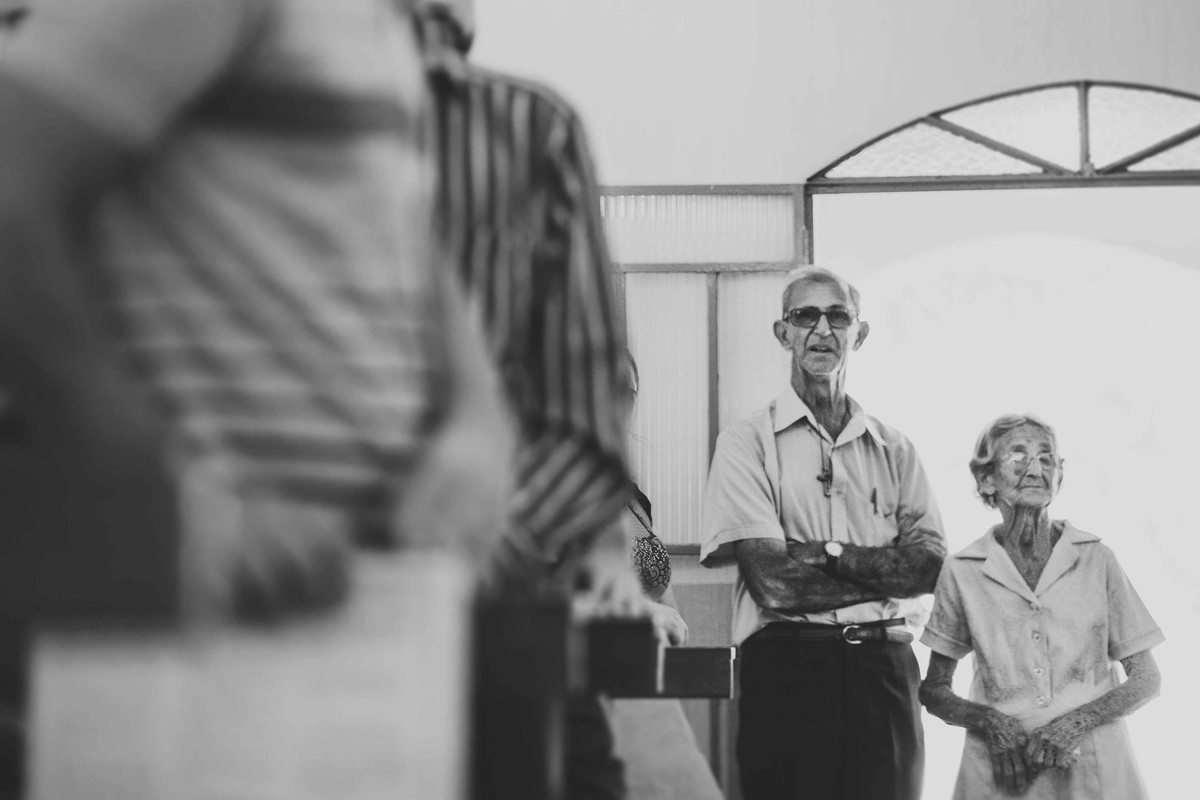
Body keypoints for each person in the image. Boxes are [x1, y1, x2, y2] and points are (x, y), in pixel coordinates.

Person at [0, 1, 513, 793]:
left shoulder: (371, 22)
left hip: (341, 645)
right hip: (193, 661)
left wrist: (476, 416)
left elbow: (391, 228)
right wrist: (160, 501)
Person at [414, 4, 647, 798]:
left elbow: (584, 421)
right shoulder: (213, 122)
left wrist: (457, 552)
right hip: (250, 588)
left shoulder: (524, 129)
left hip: (496, 601)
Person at [700, 266, 946, 800]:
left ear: (859, 333)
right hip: (788, 667)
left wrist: (826, 554)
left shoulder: (895, 449)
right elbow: (776, 585)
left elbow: (930, 568)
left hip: (886, 669)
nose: (822, 330)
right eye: (805, 316)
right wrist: (889, 575)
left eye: (838, 316)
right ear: (783, 333)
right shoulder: (747, 442)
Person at [919, 414, 1164, 799]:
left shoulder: (1097, 559)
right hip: (1004, 769)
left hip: (1093, 767)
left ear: (1059, 477)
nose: (1035, 469)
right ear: (986, 479)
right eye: (1018, 457)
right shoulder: (963, 570)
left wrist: (1075, 723)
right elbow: (934, 690)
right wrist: (989, 721)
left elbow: (1147, 678)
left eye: (1047, 459)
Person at [607, 352, 725, 800]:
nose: (612, 403)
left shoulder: (633, 499)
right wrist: (639, 615)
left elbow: (668, 605)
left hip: (646, 680)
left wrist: (664, 622)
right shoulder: (542, 486)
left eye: (626, 393)